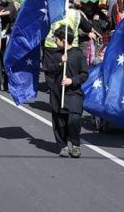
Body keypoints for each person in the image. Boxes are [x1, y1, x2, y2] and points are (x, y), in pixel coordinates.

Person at [48, 27, 88, 158]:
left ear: (64, 40)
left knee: (73, 119)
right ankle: (63, 145)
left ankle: (75, 144)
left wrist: (72, 80)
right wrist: (61, 63)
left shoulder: (78, 54)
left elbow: (84, 74)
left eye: (57, 39)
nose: (55, 41)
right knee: (60, 122)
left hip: (74, 93)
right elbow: (50, 70)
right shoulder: (56, 55)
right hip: (58, 93)